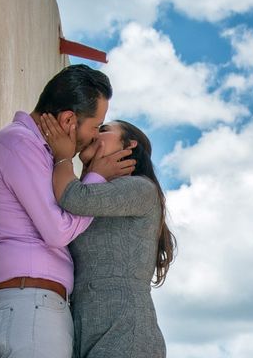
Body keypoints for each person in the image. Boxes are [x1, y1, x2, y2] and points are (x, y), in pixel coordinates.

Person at [0, 65, 135, 358]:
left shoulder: (38, 152)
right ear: (69, 120)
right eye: (95, 126)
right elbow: (58, 230)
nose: (94, 136)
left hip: (34, 306)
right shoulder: (19, 145)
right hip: (30, 305)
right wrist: (95, 180)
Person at [39, 114, 176, 358]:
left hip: (126, 331)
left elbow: (74, 197)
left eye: (103, 129)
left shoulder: (141, 188)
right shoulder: (98, 195)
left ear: (129, 145)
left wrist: (62, 156)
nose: (93, 134)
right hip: (86, 327)